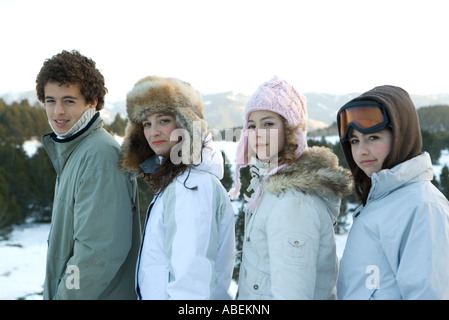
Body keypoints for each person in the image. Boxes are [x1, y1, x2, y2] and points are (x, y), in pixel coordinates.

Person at [228, 76, 353, 299]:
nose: (257, 133)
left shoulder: (294, 201)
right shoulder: (270, 188)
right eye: (252, 125)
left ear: (291, 130)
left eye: (268, 124)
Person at [36, 50, 141, 299]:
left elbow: (97, 254)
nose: (57, 111)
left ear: (92, 101)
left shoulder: (99, 156)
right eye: (50, 100)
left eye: (69, 101)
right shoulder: (77, 150)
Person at [118, 75, 235, 300]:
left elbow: (190, 286)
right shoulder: (178, 181)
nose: (153, 132)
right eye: (146, 124)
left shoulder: (192, 186)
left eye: (163, 120)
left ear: (186, 123)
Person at [336, 85, 449, 299]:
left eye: (373, 138)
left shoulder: (422, 207)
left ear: (400, 137)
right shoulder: (380, 200)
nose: (361, 151)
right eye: (354, 141)